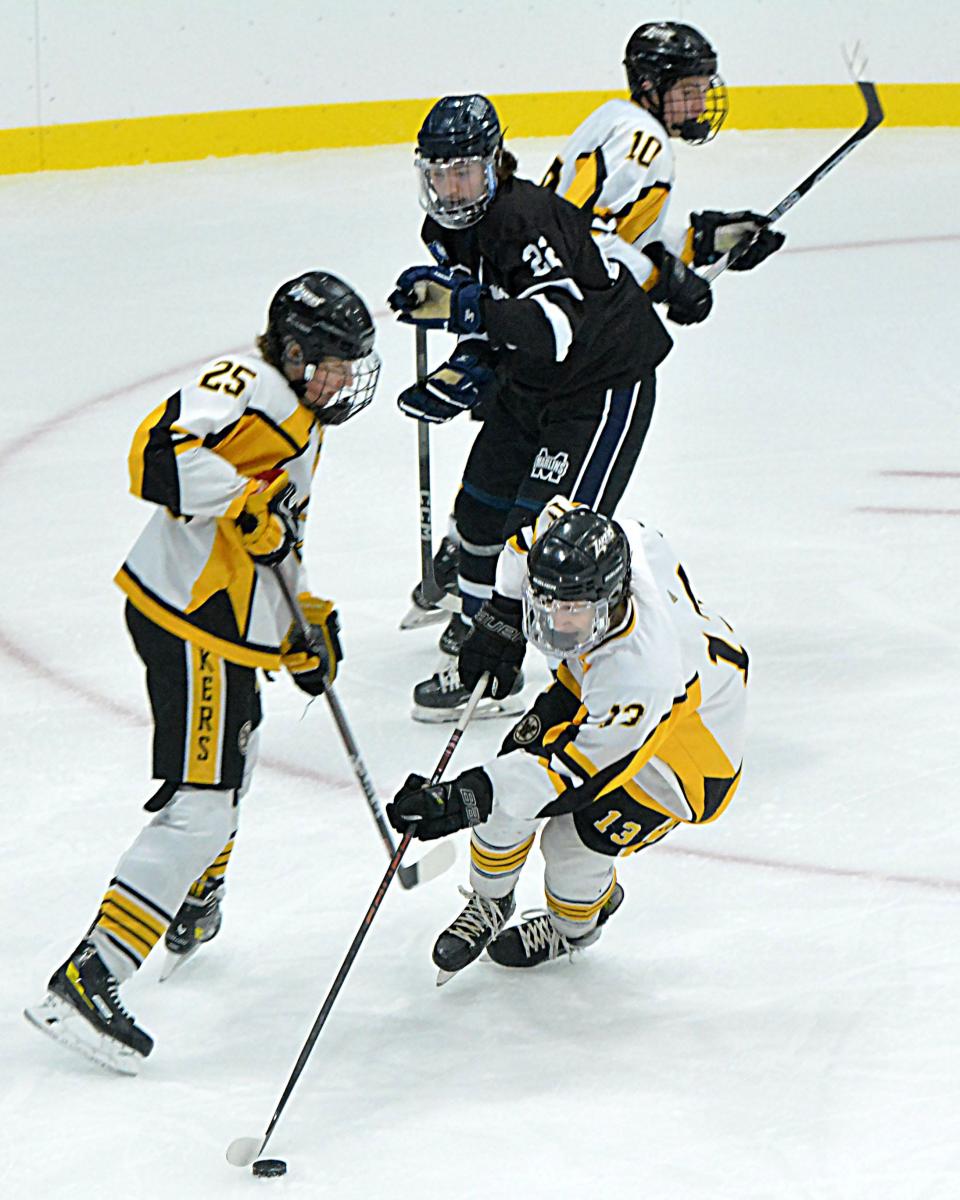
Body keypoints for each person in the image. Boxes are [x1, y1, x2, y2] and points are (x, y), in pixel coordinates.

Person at [24, 271, 381, 1073]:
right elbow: (154, 454)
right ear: (291, 352)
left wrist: (300, 624)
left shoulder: (304, 417)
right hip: (189, 626)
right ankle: (94, 971)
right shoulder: (248, 384)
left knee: (236, 765)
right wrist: (240, 499)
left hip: (220, 626)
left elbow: (267, 538)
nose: (341, 381)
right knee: (204, 807)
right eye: (329, 364)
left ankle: (190, 897)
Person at [389, 93, 675, 722]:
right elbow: (497, 324)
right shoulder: (443, 230)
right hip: (533, 383)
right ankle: (476, 642)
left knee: (541, 534)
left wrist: (464, 310)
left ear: (495, 164)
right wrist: (466, 369)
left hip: (601, 384)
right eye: (440, 174)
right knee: (480, 510)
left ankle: (563, 670)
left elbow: (555, 329)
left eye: (464, 171)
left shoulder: (526, 220)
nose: (452, 188)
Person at [387, 496, 748, 982]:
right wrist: (502, 620)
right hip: (595, 689)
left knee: (571, 843)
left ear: (611, 599)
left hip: (684, 757)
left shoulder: (642, 674)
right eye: (547, 605)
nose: (556, 621)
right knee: (510, 773)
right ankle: (490, 903)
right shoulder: (603, 545)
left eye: (572, 610)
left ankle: (574, 927)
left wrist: (461, 799)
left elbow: (565, 777)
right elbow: (524, 546)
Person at [543, 21, 785, 298]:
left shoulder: (616, 115)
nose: (701, 106)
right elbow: (585, 236)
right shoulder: (644, 139)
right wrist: (660, 281)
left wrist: (698, 243)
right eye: (688, 92)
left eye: (704, 91)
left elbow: (620, 235)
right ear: (649, 86)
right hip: (563, 304)